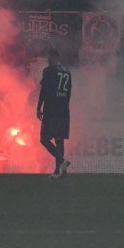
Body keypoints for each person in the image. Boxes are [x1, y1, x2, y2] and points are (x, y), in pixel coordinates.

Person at [36, 47, 72, 177]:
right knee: (59, 139)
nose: (48, 61)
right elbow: (69, 93)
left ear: (53, 58)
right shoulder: (67, 72)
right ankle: (59, 172)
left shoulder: (49, 71)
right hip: (63, 110)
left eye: (49, 58)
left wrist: (38, 107)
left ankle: (62, 161)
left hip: (51, 110)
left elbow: (44, 90)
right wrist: (64, 107)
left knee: (44, 139)